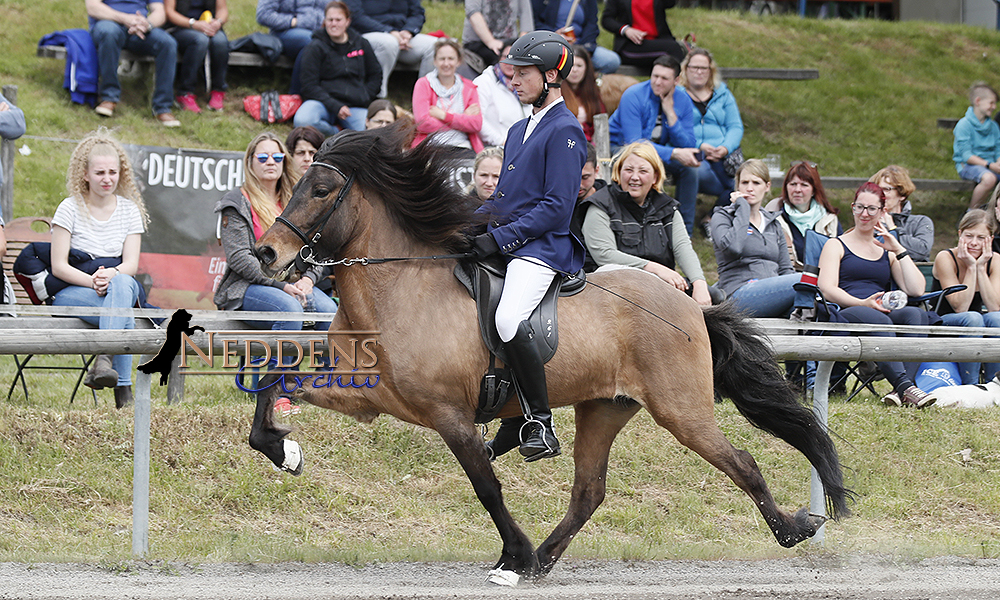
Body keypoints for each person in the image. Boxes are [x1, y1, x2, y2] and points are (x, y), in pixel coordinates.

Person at [471, 31, 586, 462]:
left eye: (522, 73)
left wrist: (499, 238)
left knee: (508, 318)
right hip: (514, 240)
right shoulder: (520, 128)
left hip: (543, 248)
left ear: (551, 75)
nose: (513, 80)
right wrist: (465, 226)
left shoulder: (566, 130)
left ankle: (540, 422)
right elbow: (504, 199)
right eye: (511, 73)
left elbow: (557, 208)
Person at [50, 130, 149, 409]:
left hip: (115, 286)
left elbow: (130, 264)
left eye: (113, 172)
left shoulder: (129, 210)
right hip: (74, 291)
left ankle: (104, 357)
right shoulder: (69, 209)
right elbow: (59, 266)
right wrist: (93, 281)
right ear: (85, 174)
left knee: (124, 284)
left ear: (122, 173)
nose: (107, 179)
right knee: (124, 313)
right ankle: (123, 390)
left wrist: (112, 275)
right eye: (100, 172)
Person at [817, 182, 937, 409]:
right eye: (860, 207)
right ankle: (906, 387)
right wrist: (863, 302)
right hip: (848, 310)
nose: (865, 213)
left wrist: (899, 250)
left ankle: (899, 390)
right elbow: (827, 288)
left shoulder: (885, 250)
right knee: (879, 318)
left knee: (916, 316)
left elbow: (916, 289)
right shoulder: (836, 245)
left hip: (881, 311)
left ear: (882, 212)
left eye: (872, 209)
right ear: (852, 208)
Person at [214, 132, 339, 335]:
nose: (270, 162)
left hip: (296, 282)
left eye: (277, 157)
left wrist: (307, 280)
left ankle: (327, 368)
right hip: (248, 285)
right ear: (250, 162)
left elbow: (316, 249)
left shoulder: (298, 200)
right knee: (289, 309)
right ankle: (279, 368)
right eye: (263, 157)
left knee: (329, 312)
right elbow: (239, 258)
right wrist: (280, 286)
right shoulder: (236, 201)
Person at [581, 141, 713, 305]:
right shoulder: (600, 205)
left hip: (661, 287)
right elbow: (605, 255)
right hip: (615, 288)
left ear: (655, 177)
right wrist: (655, 269)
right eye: (628, 170)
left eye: (643, 171)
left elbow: (683, 248)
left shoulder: (668, 209)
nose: (634, 177)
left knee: (714, 296)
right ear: (618, 172)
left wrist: (699, 283)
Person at [609, 54, 700, 235]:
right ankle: (633, 226)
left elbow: (689, 143)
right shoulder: (633, 95)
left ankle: (683, 232)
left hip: (658, 152)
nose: (657, 82)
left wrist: (671, 115)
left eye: (664, 78)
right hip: (621, 149)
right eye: (655, 76)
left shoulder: (683, 100)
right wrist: (673, 153)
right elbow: (633, 142)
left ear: (676, 80)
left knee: (690, 170)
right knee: (641, 165)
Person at [710, 158, 797, 317]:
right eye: (744, 182)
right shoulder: (722, 217)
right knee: (805, 280)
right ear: (737, 186)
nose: (749, 188)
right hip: (738, 293)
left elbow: (785, 269)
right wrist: (742, 208)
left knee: (809, 302)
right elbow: (734, 247)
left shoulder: (773, 223)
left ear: (767, 186)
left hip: (774, 293)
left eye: (756, 183)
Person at [932, 209, 1000, 385]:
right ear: (960, 234)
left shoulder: (995, 260)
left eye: (981, 237)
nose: (974, 243)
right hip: (942, 322)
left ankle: (992, 385)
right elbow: (959, 306)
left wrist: (980, 268)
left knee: (996, 318)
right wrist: (971, 267)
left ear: (991, 240)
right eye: (969, 236)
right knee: (973, 318)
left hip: (976, 324)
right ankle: (970, 385)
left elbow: (994, 307)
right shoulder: (945, 257)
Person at [85, 0, 180, 126]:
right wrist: (124, 18)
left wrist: (147, 24)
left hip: (139, 29)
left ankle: (162, 107)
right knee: (109, 33)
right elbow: (93, 7)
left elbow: (159, 11)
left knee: (168, 44)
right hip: (108, 23)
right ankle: (108, 97)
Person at [293, 1, 382, 136]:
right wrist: (335, 106)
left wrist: (365, 95)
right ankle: (336, 133)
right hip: (323, 103)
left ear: (347, 21)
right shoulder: (314, 47)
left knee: (373, 131)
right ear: (325, 21)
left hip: (354, 106)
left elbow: (376, 74)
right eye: (330, 20)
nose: (334, 24)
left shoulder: (361, 43)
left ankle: (348, 137)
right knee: (303, 121)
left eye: (338, 20)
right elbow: (309, 85)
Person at [677, 47, 743, 224]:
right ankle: (710, 221)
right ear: (686, 69)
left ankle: (711, 218)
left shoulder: (723, 94)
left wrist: (725, 147)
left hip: (723, 154)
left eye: (703, 68)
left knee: (741, 186)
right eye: (694, 67)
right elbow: (676, 128)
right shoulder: (677, 94)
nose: (699, 72)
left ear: (710, 70)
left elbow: (735, 126)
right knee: (716, 183)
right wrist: (700, 146)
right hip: (694, 151)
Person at [345, 0, 437, 98]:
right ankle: (377, 97)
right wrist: (388, 31)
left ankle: (424, 99)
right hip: (368, 33)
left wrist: (408, 31)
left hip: (401, 34)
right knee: (388, 43)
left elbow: (417, 13)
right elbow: (355, 16)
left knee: (435, 45)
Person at [763, 160, 841, 269]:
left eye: (804, 185)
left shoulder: (829, 220)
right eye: (793, 184)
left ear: (814, 190)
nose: (797, 190)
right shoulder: (775, 219)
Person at [411, 38, 484, 155]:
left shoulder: (469, 87)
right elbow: (422, 123)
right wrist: (462, 118)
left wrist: (443, 116)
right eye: (441, 59)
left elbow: (476, 124)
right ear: (434, 61)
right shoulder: (423, 84)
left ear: (458, 61)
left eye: (451, 59)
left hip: (463, 147)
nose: (446, 64)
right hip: (431, 146)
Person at [163, 0, 228, 113]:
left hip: (208, 26)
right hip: (179, 27)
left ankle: (218, 90)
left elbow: (222, 10)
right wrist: (194, 24)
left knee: (220, 42)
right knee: (200, 41)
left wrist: (218, 22)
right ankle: (185, 92)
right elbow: (169, 12)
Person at [255, 0, 328, 93]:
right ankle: (296, 94)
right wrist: (295, 21)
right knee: (312, 43)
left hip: (323, 33)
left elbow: (339, 10)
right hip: (286, 31)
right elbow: (263, 14)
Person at [868, 165, 934, 263]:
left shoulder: (920, 222)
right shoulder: (867, 221)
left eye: (886, 189)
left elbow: (921, 251)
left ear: (902, 194)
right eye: (877, 190)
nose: (880, 194)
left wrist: (893, 229)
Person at [532, 0, 620, 73]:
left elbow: (592, 25)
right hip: (551, 45)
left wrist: (586, 50)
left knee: (611, 61)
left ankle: (588, 85)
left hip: (580, 45)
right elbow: (534, 23)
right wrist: (554, 35)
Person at [473, 39, 530, 146]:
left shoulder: (527, 84)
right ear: (499, 58)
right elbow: (478, 120)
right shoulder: (484, 82)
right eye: (505, 57)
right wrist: (502, 142)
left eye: (514, 58)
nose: (509, 62)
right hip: (494, 150)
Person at [954, 82, 1000, 210]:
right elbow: (966, 156)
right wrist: (990, 165)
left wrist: (998, 162)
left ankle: (994, 215)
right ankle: (971, 214)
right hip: (969, 166)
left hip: (992, 165)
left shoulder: (993, 126)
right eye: (991, 103)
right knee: (989, 179)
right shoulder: (964, 125)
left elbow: (998, 149)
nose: (994, 107)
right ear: (978, 101)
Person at [601, 0, 685, 69]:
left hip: (658, 41)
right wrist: (625, 30)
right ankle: (683, 85)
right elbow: (607, 20)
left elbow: (670, 3)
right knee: (673, 49)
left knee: (680, 50)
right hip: (631, 45)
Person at [462, 0, 533, 72]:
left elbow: (525, 17)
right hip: (478, 42)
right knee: (498, 61)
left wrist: (522, 46)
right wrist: (490, 41)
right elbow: (473, 13)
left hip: (510, 42)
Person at [562, 46, 606, 142]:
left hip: (591, 144)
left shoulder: (593, 92)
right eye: (571, 65)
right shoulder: (555, 93)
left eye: (579, 66)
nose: (575, 70)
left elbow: (600, 121)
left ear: (586, 68)